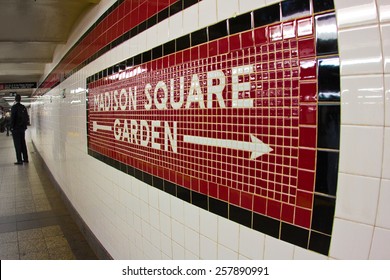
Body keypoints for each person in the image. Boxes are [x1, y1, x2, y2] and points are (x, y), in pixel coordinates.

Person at [10, 94, 29, 165]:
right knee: (23, 143)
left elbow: (13, 118)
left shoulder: (14, 107)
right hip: (22, 129)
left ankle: (19, 160)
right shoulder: (23, 107)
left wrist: (11, 127)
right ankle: (26, 159)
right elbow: (26, 117)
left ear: (15, 99)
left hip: (16, 129)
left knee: (17, 144)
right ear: (20, 99)